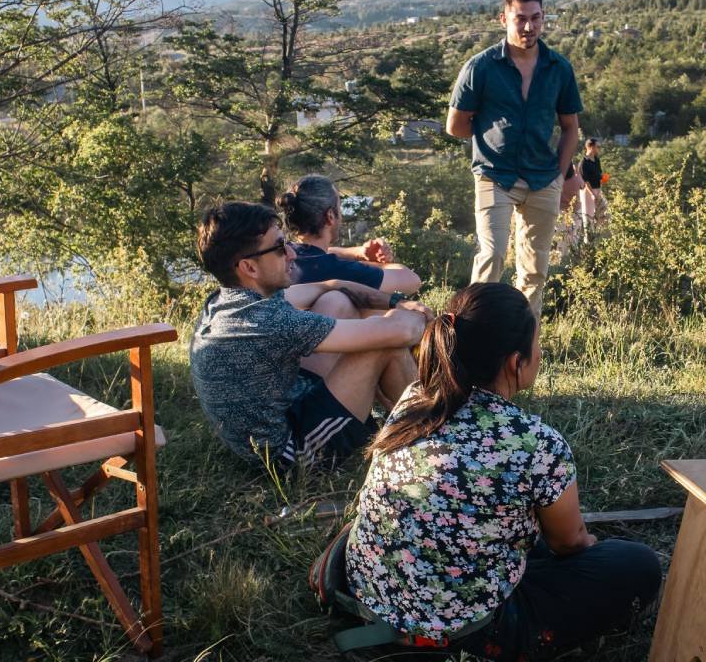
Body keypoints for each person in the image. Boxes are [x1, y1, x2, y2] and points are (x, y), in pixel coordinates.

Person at [345, 282, 661, 661]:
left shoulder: (415, 398)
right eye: (537, 344)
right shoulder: (535, 443)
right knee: (635, 564)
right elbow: (569, 543)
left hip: (372, 601)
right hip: (464, 635)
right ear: (516, 361)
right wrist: (589, 551)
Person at [189, 201, 433, 467]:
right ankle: (432, 438)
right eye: (280, 247)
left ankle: (396, 418)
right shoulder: (269, 321)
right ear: (249, 267)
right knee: (387, 344)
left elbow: (331, 285)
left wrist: (395, 303)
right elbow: (402, 331)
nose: (292, 253)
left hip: (284, 404)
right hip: (287, 453)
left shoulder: (227, 301)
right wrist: (421, 315)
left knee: (336, 301)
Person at [446, 0, 583, 318]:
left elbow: (570, 128)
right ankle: (469, 332)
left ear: (543, 18)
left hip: (542, 178)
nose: (529, 26)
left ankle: (523, 342)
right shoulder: (480, 67)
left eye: (535, 18)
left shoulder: (558, 68)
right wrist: (491, 140)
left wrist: (560, 177)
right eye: (520, 18)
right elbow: (456, 126)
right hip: (495, 175)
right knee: (492, 257)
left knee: (535, 270)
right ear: (503, 18)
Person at [277, 174, 421, 294]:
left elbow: (317, 252)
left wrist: (357, 252)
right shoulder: (337, 269)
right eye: (339, 207)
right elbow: (412, 280)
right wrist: (372, 264)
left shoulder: (281, 254)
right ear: (330, 216)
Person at [579, 137, 606, 241]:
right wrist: (592, 194)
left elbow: (600, 175)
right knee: (588, 217)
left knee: (603, 213)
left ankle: (599, 239)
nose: (599, 148)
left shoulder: (597, 160)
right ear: (590, 147)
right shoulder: (583, 162)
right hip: (587, 191)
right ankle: (588, 243)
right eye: (597, 146)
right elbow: (585, 181)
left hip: (598, 190)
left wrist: (599, 190)